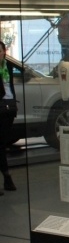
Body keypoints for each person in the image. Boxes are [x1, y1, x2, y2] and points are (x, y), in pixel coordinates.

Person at [0, 40, 18, 194]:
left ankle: (7, 177)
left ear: (4, 52)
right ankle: (7, 176)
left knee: (2, 143)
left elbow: (10, 86)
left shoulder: (8, 66)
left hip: (9, 108)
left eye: (0, 51)